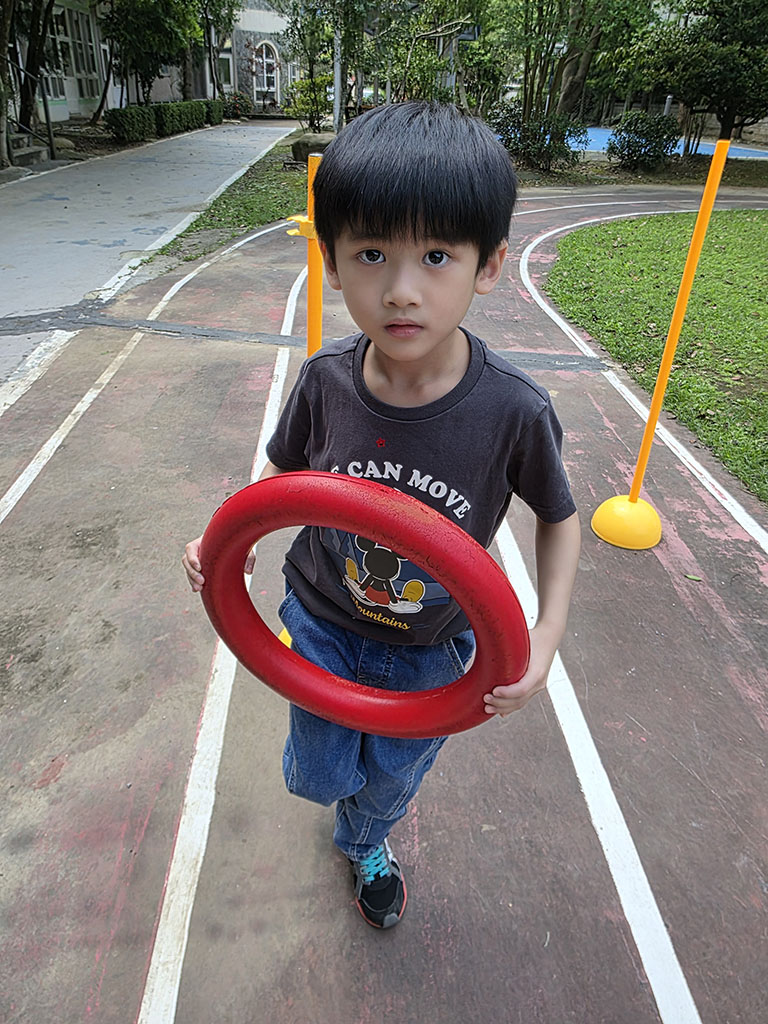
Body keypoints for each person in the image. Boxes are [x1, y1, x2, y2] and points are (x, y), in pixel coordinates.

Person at [183, 101, 581, 930]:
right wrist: (230, 539)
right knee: (317, 775)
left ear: (488, 265)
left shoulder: (513, 410)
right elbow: (282, 472)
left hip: (431, 645)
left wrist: (543, 638)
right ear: (332, 263)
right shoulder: (326, 380)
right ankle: (341, 800)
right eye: (371, 254)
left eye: (436, 256)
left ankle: (367, 842)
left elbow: (559, 517)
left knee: (390, 779)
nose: (401, 290)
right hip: (324, 617)